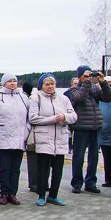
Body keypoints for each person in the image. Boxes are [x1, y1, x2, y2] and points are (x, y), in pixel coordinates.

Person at [29, 74, 77, 206]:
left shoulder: (63, 99)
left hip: (60, 138)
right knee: (43, 169)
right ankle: (41, 195)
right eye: (47, 84)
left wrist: (64, 117)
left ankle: (53, 195)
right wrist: (53, 119)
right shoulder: (36, 98)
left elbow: (73, 116)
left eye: (52, 84)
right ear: (41, 86)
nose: (50, 87)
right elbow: (33, 118)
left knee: (58, 169)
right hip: (44, 137)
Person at [0, 73, 30, 205]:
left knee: (15, 168)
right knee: (5, 167)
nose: (12, 83)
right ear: (4, 83)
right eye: (9, 81)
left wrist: (26, 132)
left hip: (19, 138)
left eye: (14, 81)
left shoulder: (23, 97)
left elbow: (29, 118)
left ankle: (12, 193)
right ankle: (4, 193)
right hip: (3, 137)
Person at [68, 65, 111, 194]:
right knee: (78, 156)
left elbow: (108, 98)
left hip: (95, 127)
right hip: (81, 127)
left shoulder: (94, 88)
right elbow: (80, 98)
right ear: (81, 76)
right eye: (85, 75)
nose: (89, 78)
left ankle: (91, 182)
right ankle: (77, 183)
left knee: (93, 157)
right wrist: (86, 82)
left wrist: (103, 82)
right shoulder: (74, 89)